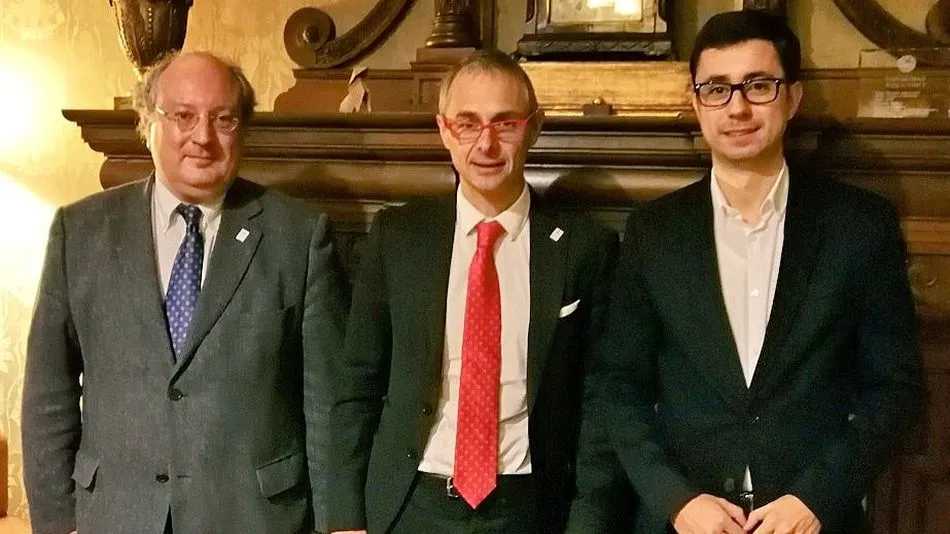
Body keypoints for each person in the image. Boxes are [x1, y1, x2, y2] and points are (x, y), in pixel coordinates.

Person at [568, 10, 922, 534]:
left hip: (814, 520)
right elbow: (618, 386)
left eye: (758, 85)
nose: (737, 107)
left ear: (792, 97)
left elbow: (895, 388)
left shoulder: (859, 226)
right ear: (696, 102)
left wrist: (817, 499)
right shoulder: (653, 232)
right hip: (686, 522)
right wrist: (677, 500)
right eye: (716, 89)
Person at [22, 51, 349, 534]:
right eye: (183, 116)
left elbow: (326, 402)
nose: (203, 137)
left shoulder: (299, 236)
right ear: (147, 124)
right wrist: (57, 522)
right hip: (115, 516)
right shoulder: (81, 231)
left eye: (223, 119)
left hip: (255, 518)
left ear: (243, 130)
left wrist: (338, 522)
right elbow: (49, 394)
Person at [326, 50, 617, 534]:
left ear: (534, 128)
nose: (486, 143)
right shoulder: (399, 236)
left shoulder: (585, 248)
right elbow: (358, 384)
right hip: (408, 504)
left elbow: (601, 403)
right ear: (444, 130)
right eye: (468, 123)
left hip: (530, 509)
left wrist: (589, 523)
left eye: (506, 123)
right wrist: (344, 520)